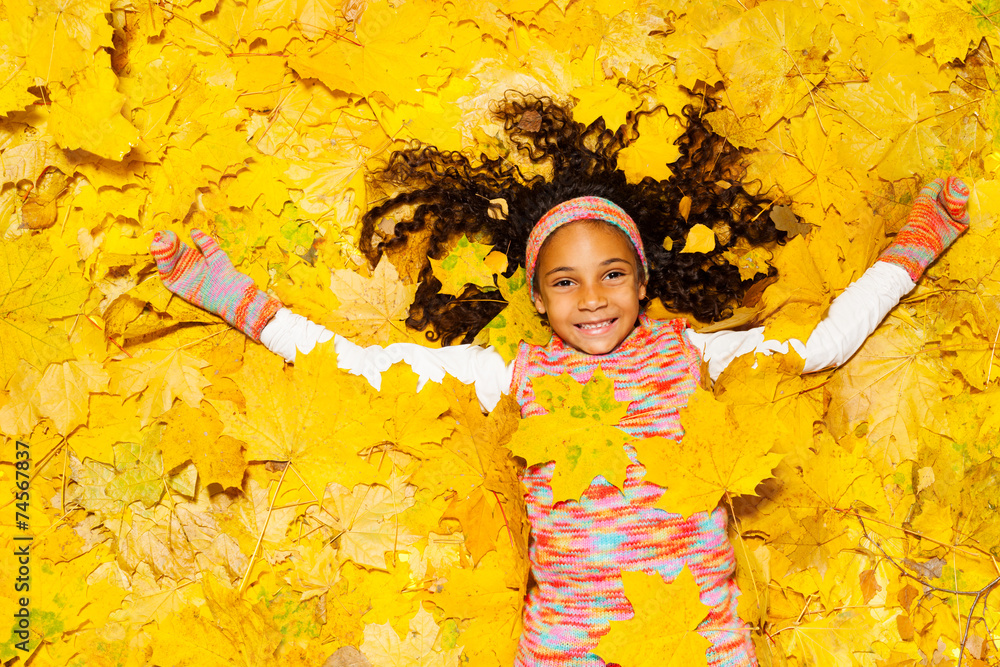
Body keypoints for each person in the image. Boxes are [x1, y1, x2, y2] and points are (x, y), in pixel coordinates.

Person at [148, 94, 970, 667]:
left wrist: (921, 239)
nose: (593, 298)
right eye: (566, 282)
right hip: (567, 641)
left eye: (612, 274)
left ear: (642, 282)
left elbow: (823, 343)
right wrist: (232, 296)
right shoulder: (514, 371)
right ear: (537, 299)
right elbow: (365, 366)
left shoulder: (692, 353)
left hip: (698, 637)